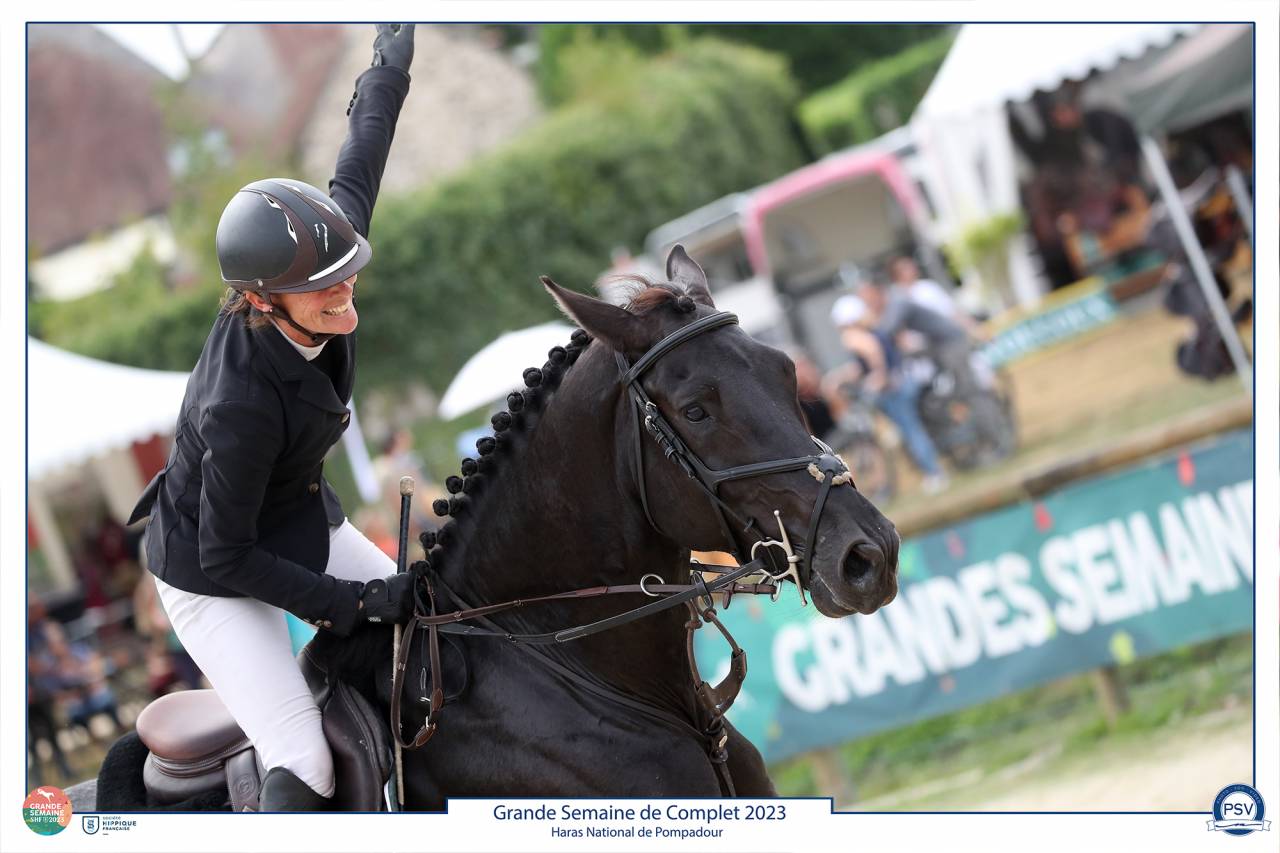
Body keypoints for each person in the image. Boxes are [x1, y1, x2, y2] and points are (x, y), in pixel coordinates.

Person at [126, 25, 418, 812]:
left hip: (294, 518)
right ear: (261, 299)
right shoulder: (240, 402)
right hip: (210, 571)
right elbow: (227, 555)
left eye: (345, 269)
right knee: (305, 758)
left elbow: (361, 156)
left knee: (427, 630)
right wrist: (351, 605)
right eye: (323, 285)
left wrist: (388, 65)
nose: (343, 289)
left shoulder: (315, 257)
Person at [826, 295, 948, 494]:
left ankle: (934, 473)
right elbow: (862, 365)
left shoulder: (855, 336)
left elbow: (874, 356)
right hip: (901, 382)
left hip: (894, 389)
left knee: (911, 430)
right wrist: (841, 376)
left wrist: (878, 376)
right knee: (910, 429)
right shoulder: (873, 331)